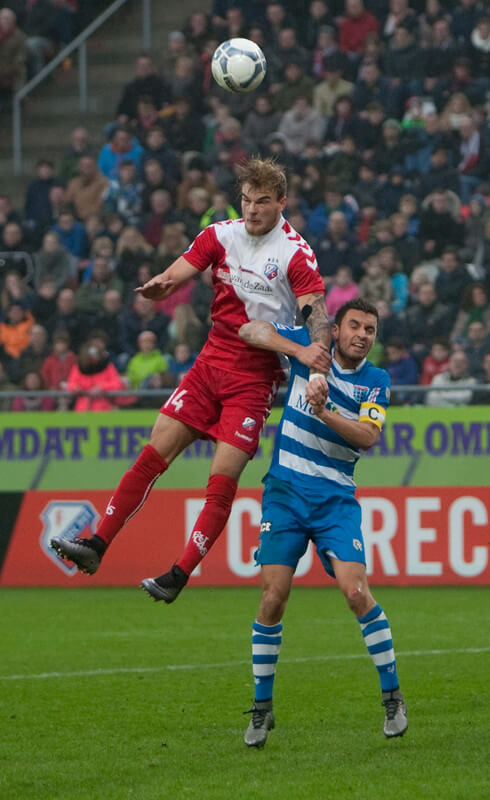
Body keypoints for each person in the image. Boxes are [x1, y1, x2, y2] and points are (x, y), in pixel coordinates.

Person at [50, 158, 330, 603]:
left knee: (221, 482)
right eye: (246, 200)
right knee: (151, 456)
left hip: (254, 381)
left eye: (262, 201)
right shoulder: (221, 234)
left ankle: (178, 574)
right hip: (207, 368)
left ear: (282, 201)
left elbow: (315, 310)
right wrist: (161, 284)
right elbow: (180, 268)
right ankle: (95, 544)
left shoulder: (295, 252)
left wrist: (318, 362)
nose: (252, 209)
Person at [236, 298, 406, 747]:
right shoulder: (310, 349)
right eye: (354, 325)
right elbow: (248, 331)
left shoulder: (377, 381)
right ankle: (261, 707)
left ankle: (392, 696)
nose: (362, 335)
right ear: (336, 329)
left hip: (335, 500)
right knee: (273, 596)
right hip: (285, 494)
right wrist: (297, 352)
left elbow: (368, 437)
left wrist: (324, 408)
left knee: (356, 592)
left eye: (370, 329)